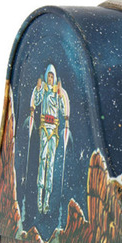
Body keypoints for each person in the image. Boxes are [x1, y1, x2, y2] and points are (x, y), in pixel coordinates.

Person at [30, 64, 69, 214]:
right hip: (44, 128)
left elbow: (63, 110)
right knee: (42, 160)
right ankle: (39, 199)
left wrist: (60, 95)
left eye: (52, 76)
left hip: (54, 130)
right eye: (49, 76)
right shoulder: (44, 91)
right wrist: (38, 88)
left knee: (51, 163)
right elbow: (37, 101)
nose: (50, 78)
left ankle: (46, 200)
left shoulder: (57, 93)